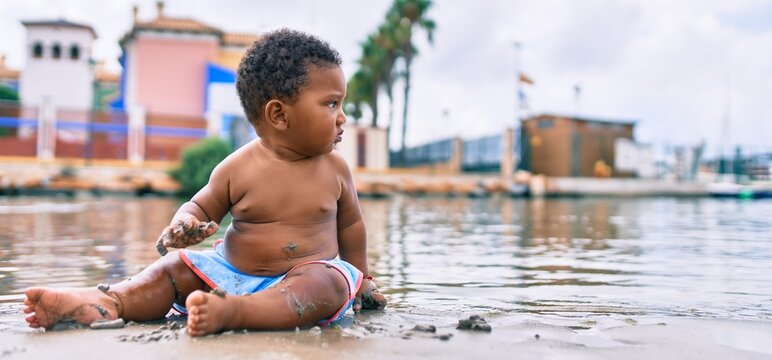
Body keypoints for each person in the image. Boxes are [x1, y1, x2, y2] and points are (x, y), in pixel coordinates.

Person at [23, 28, 387, 336]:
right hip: (229, 275)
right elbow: (200, 205)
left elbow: (352, 225)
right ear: (278, 114)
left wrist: (362, 279)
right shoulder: (237, 168)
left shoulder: (335, 169)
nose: (341, 117)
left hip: (303, 278)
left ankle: (237, 313)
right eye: (331, 104)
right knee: (175, 267)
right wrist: (185, 223)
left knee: (328, 283)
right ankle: (109, 300)